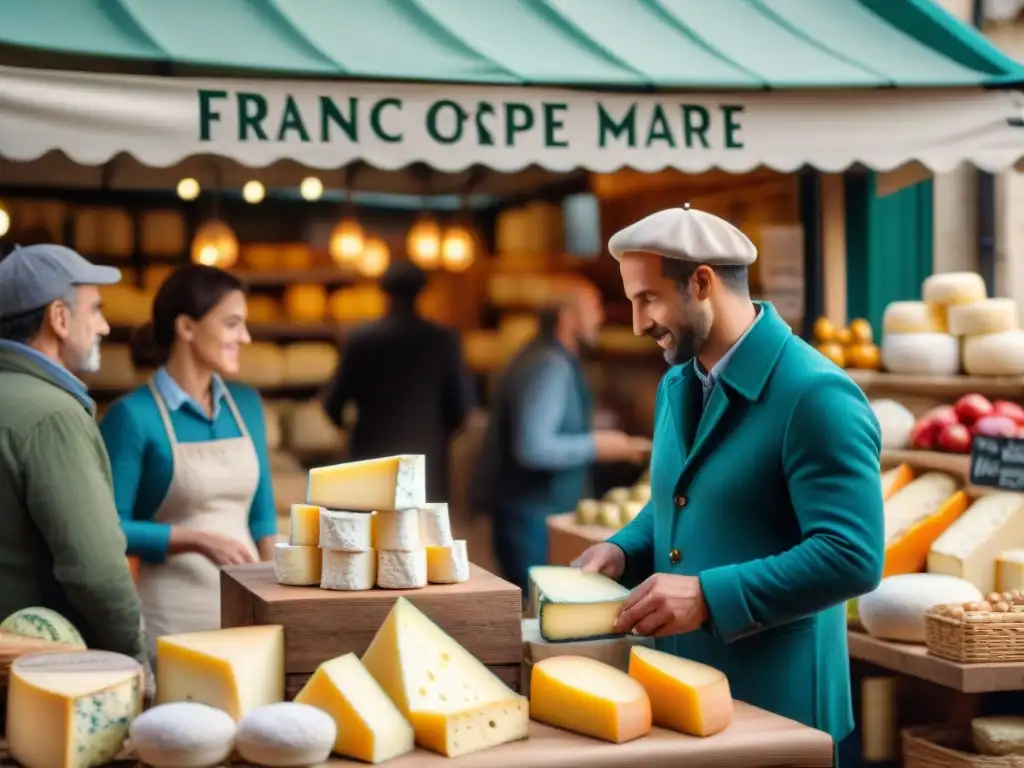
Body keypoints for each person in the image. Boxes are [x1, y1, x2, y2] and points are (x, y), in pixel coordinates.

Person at [573, 206, 884, 757]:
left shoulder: (816, 394)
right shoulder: (677, 382)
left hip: (780, 706)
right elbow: (679, 502)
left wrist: (708, 596)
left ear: (701, 282)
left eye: (647, 298)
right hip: (682, 691)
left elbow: (852, 555)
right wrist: (620, 550)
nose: (638, 322)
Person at [99, 265, 277, 654]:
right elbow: (108, 530)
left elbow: (262, 514)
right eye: (232, 324)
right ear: (187, 327)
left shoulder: (246, 404)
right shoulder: (133, 416)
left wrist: (276, 597)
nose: (244, 337)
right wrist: (194, 540)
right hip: (173, 614)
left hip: (245, 606)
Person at [0, 244, 145, 659]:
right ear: (59, 319)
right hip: (39, 673)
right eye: (95, 310)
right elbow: (96, 572)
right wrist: (135, 658)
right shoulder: (54, 416)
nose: (103, 326)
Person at [472, 278, 652, 592]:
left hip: (527, 516)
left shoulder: (541, 356)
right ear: (568, 316)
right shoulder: (549, 365)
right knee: (537, 615)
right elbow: (534, 447)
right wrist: (602, 445)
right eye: (593, 307)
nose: (600, 316)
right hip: (532, 520)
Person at [322, 259, 475, 501]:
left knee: (369, 535)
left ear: (384, 291)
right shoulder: (443, 341)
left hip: (370, 461)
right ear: (422, 292)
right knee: (422, 535)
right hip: (426, 464)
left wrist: (355, 431)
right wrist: (434, 434)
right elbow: (463, 408)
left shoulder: (360, 340)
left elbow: (332, 405)